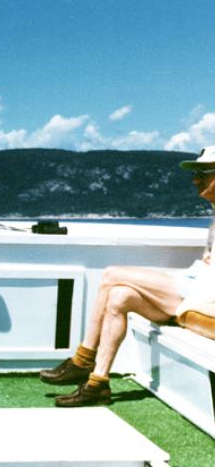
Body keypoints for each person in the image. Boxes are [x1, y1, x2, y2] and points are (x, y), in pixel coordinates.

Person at [40, 146, 215, 407]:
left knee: (112, 275)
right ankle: (98, 383)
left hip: (203, 294)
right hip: (196, 285)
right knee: (120, 296)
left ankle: (82, 360)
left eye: (203, 172)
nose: (195, 179)